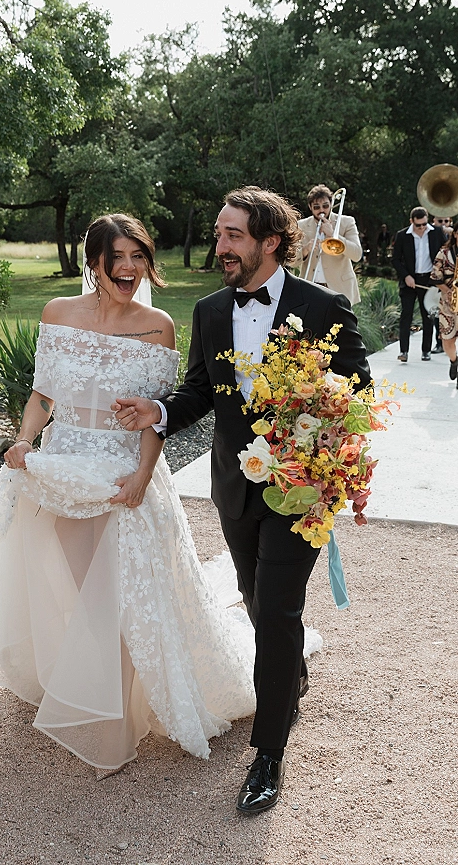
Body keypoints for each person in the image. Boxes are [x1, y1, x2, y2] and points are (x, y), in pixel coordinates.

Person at [0, 213, 272, 776]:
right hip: (61, 473)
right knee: (70, 588)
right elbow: (42, 395)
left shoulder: (159, 325)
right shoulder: (57, 314)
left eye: (139, 257)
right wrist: (22, 439)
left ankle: (113, 723)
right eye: (118, 257)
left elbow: (155, 418)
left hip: (122, 480)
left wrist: (142, 476)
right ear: (94, 262)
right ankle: (72, 683)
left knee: (118, 600)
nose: (129, 268)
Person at [112, 186, 371, 814]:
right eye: (220, 234)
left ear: (269, 242)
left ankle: (267, 756)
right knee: (256, 600)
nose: (220, 246)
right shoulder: (208, 312)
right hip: (232, 486)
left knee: (278, 610)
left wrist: (324, 451)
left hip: (300, 491)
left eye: (233, 236)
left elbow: (357, 398)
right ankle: (290, 677)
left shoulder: (325, 309)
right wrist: (162, 409)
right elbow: (200, 389)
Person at [392, 206, 445, 362]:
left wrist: (438, 277)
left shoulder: (436, 232)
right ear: (411, 222)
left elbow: (444, 254)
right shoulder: (402, 235)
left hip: (428, 280)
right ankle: (403, 351)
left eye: (424, 224)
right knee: (406, 315)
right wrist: (406, 276)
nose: (421, 228)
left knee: (427, 315)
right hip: (409, 280)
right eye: (418, 225)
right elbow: (395, 259)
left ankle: (426, 351)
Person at [295, 184, 363, 306]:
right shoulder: (301, 226)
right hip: (310, 286)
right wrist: (305, 250)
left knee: (340, 325)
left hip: (340, 288)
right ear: (310, 207)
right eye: (316, 207)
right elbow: (290, 261)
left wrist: (333, 235)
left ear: (331, 204)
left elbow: (357, 254)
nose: (321, 210)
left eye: (325, 206)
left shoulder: (346, 222)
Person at [430, 221, 458, 385]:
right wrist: (448, 291)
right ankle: (454, 361)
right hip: (448, 302)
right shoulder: (444, 252)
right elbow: (434, 277)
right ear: (455, 233)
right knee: (447, 341)